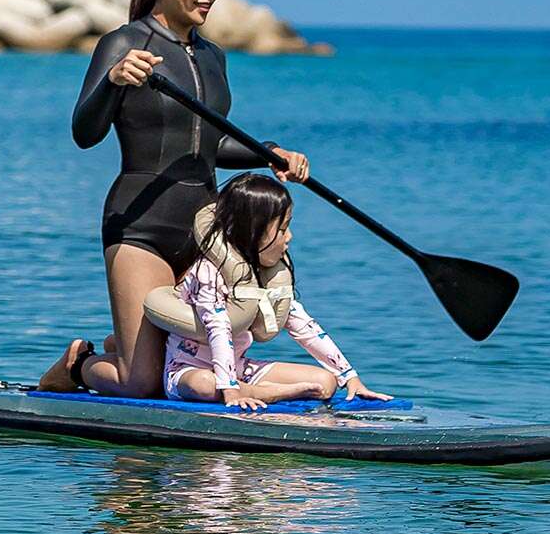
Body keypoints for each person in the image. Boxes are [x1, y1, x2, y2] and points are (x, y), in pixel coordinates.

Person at [39, 0, 312, 397]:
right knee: (142, 382)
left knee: (190, 363)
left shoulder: (214, 56)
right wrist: (113, 82)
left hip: (205, 229)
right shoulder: (124, 44)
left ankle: (124, 345)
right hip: (140, 226)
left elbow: (209, 145)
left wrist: (267, 153)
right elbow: (85, 132)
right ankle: (80, 365)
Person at [162, 172, 389, 408]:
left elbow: (303, 325)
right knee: (204, 386)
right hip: (188, 370)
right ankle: (274, 393)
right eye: (282, 229)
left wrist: (349, 376)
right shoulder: (208, 272)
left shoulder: (264, 273)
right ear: (253, 230)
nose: (289, 237)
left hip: (239, 368)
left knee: (325, 382)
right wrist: (229, 390)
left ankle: (262, 390)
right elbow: (218, 328)